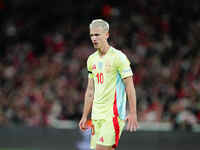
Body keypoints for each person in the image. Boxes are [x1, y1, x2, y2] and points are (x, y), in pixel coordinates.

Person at [79, 19, 138, 150]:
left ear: (106, 34)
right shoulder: (91, 60)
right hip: (96, 116)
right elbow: (90, 90)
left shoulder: (118, 57)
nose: (94, 38)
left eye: (97, 35)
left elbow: (130, 86)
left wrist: (133, 112)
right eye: (91, 35)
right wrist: (84, 115)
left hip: (113, 116)